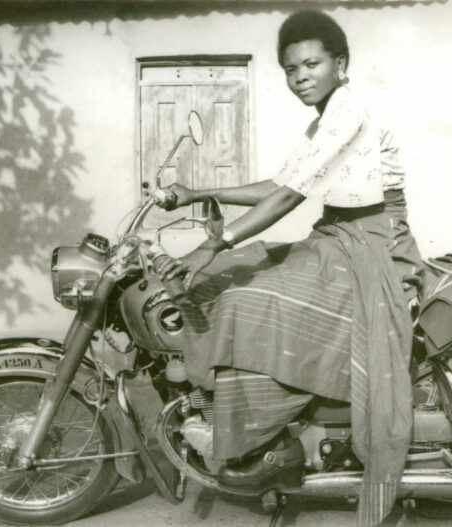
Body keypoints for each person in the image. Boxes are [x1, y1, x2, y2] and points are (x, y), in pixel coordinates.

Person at [155, 10, 423, 526]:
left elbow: (287, 198)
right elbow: (280, 181)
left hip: (373, 244)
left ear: (339, 64)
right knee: (241, 270)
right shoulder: (324, 119)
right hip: (340, 235)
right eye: (289, 69)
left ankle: (270, 443)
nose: (300, 76)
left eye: (311, 64)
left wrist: (211, 243)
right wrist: (201, 192)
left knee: (243, 295)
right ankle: (260, 432)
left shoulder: (350, 113)